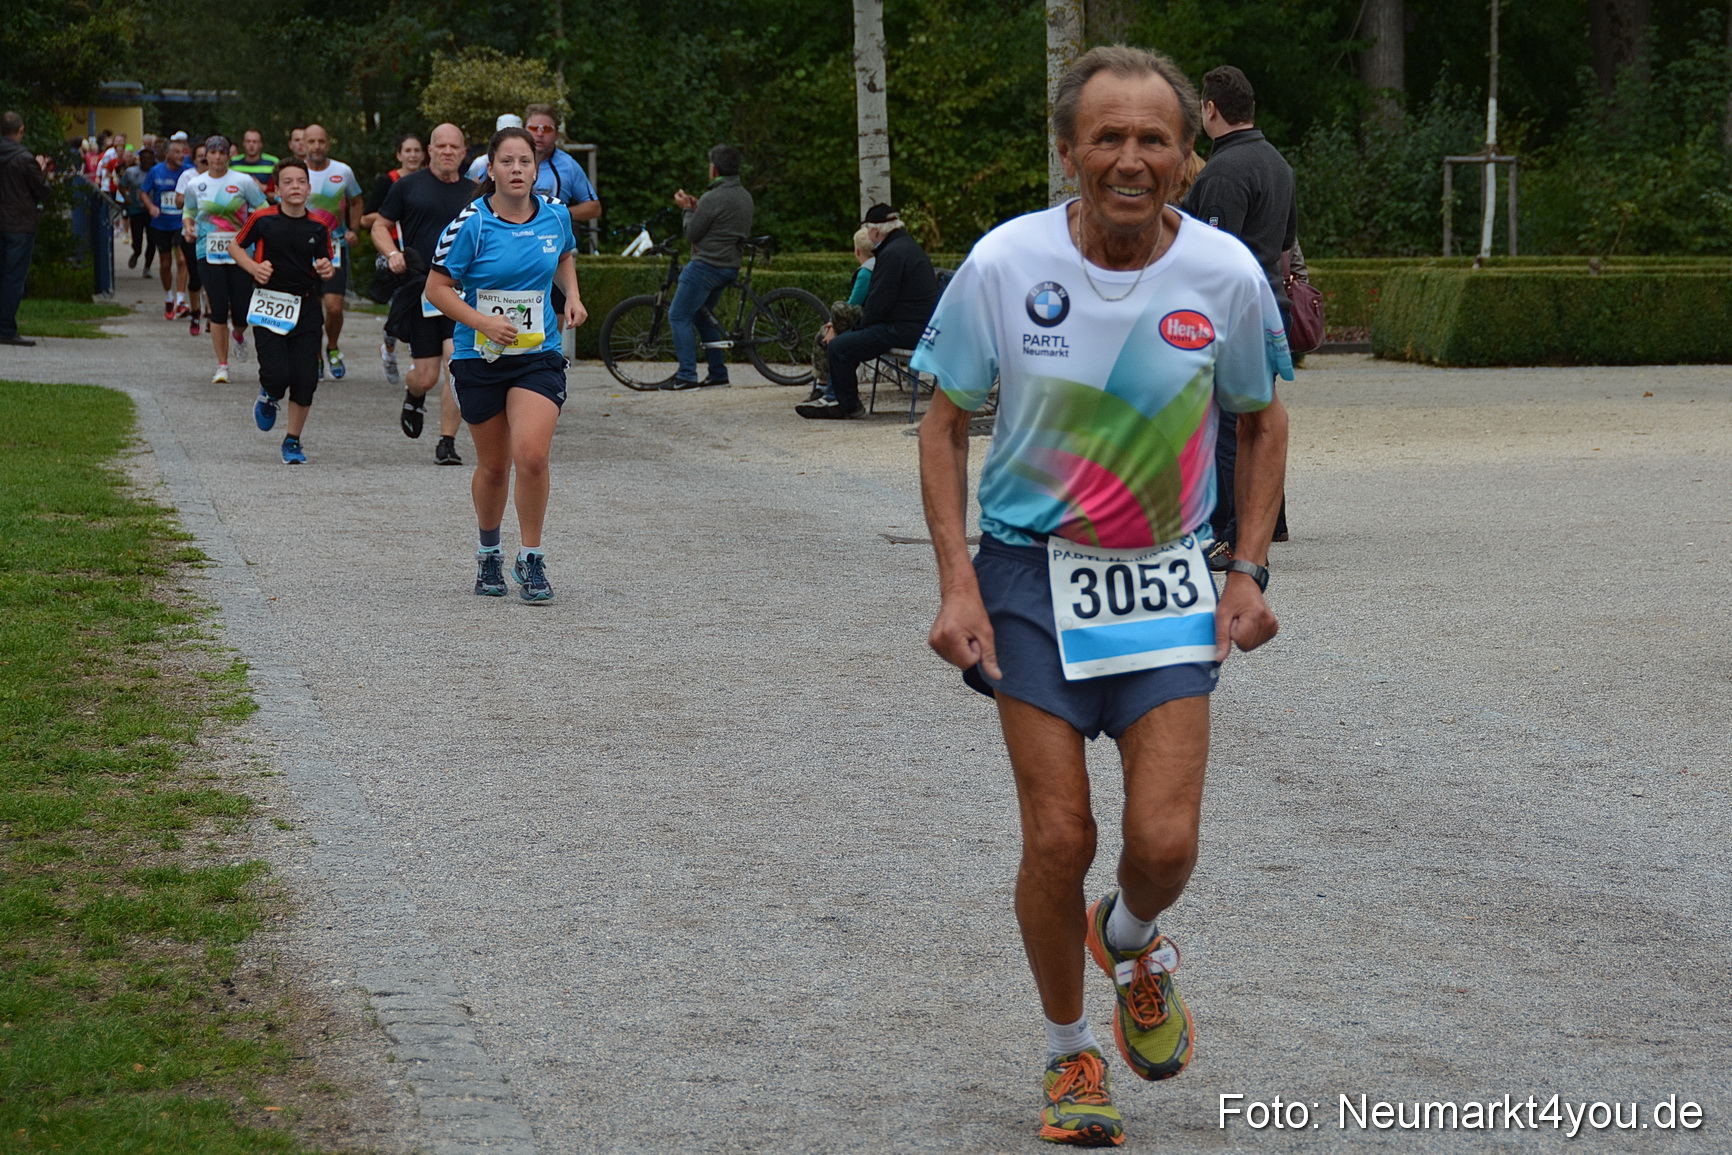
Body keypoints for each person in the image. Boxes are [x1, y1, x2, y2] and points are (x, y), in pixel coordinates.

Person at [913, 45, 1291, 1147]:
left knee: (1165, 845)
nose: (1130, 159)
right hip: (1030, 574)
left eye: (1153, 139)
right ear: (1070, 149)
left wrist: (1248, 568)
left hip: (1167, 576)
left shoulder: (1222, 274)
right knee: (1059, 837)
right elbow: (942, 422)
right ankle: (1068, 1054)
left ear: (1185, 154)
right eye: (1107, 138)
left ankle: (1128, 939)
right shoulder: (1002, 262)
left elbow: (1262, 416)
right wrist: (956, 583)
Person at [426, 127, 584, 602]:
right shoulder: (469, 223)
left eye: (525, 162)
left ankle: (531, 558)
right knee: (494, 467)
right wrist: (482, 323)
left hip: (537, 354)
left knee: (532, 456)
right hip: (480, 355)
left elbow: (566, 254)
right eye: (508, 162)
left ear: (537, 170)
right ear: (490, 169)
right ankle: (489, 553)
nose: (517, 170)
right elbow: (435, 290)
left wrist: (572, 295)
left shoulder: (556, 215)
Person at [1181, 65, 1296, 563]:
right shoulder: (1277, 163)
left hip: (1230, 314)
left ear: (1210, 109)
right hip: (1270, 303)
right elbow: (1287, 241)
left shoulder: (1225, 170)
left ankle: (1232, 535)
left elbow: (1213, 255)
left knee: (1230, 428)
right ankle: (1271, 521)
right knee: (1258, 422)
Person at [373, 123, 475, 466]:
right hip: (423, 289)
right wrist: (392, 255)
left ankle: (447, 441)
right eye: (441, 146)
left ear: (463, 153)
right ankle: (414, 394)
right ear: (430, 150)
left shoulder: (476, 193)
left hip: (461, 291)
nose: (447, 152)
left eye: (454, 147)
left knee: (456, 362)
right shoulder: (407, 187)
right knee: (427, 375)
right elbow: (378, 226)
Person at [230, 157, 336, 465]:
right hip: (269, 303)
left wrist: (326, 268)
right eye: (287, 182)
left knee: (305, 379)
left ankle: (292, 440)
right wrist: (253, 266)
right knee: (277, 374)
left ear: (308, 187)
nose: (295, 187)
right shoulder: (263, 219)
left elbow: (325, 262)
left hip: (305, 305)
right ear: (276, 188)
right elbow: (235, 246)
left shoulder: (318, 225)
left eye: (300, 182)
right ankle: (269, 394)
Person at [796, 203, 937, 419]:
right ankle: (836, 399)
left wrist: (851, 328)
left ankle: (847, 406)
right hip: (915, 325)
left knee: (840, 346)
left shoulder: (891, 254)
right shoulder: (905, 247)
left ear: (875, 231)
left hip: (904, 330)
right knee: (849, 340)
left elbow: (878, 305)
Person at [664, 144, 752, 390]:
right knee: (702, 317)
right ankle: (717, 373)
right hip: (729, 265)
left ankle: (686, 376)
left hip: (707, 265)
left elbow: (692, 233)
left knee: (678, 314)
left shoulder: (713, 197)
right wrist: (696, 208)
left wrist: (687, 211)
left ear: (714, 169)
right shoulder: (743, 194)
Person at [182, 135, 267, 383]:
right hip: (207, 251)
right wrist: (188, 227)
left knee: (241, 310)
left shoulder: (242, 182)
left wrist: (250, 232)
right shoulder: (195, 184)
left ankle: (238, 334)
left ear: (229, 155)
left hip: (240, 252)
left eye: (222, 152)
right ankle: (222, 365)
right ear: (205, 156)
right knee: (217, 307)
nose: (217, 157)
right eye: (213, 152)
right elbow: (189, 211)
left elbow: (262, 209)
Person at [363, 132, 424, 386]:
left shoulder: (429, 181)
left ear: (424, 154)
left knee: (416, 306)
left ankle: (417, 361)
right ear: (399, 155)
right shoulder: (388, 182)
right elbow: (365, 219)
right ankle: (389, 346)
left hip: (419, 254)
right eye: (407, 151)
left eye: (416, 151)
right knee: (399, 304)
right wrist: (395, 213)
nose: (412, 155)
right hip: (392, 252)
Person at [301, 124, 362, 379]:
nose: (317, 147)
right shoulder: (297, 172)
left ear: (328, 144)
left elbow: (357, 200)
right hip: (303, 248)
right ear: (303, 144)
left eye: (321, 142)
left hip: (334, 245)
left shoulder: (342, 171)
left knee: (334, 307)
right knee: (311, 307)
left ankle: (333, 347)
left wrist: (354, 230)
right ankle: (314, 356)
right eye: (311, 142)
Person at [0, 112, 52, 347]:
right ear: (21, 130)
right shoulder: (24, 158)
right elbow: (41, 191)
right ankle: (7, 327)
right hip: (19, 225)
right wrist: (41, 169)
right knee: (13, 278)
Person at [807, 226, 875, 401]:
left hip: (864, 324)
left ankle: (822, 387)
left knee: (823, 337)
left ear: (857, 250)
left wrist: (832, 327)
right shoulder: (881, 265)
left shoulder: (866, 272)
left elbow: (852, 305)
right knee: (829, 331)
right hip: (871, 320)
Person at [143, 136, 191, 322]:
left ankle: (180, 300)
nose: (181, 156)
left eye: (183, 152)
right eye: (177, 152)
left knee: (181, 259)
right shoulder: (156, 171)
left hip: (181, 222)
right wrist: (150, 207)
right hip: (161, 223)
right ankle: (168, 297)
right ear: (167, 154)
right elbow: (143, 192)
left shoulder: (188, 172)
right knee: (165, 263)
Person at [174, 141, 210, 336]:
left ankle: (213, 314)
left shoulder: (221, 178)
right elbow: (179, 202)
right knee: (195, 277)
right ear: (194, 160)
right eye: (201, 157)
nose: (205, 160)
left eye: (208, 156)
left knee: (213, 276)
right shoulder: (188, 177)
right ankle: (196, 313)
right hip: (192, 233)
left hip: (214, 234)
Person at [122, 147, 154, 273]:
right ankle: (136, 253)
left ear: (153, 160)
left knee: (152, 240)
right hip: (136, 210)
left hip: (152, 211)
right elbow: (122, 185)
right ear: (139, 159)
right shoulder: (131, 172)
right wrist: (126, 197)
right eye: (143, 158)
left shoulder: (156, 172)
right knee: (137, 239)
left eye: (149, 158)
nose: (146, 161)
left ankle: (147, 266)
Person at [230, 128, 278, 194]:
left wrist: (261, 186)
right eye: (248, 141)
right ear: (243, 143)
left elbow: (280, 189)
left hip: (266, 202)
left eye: (254, 142)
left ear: (260, 144)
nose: (251, 145)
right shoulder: (233, 162)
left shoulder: (273, 162)